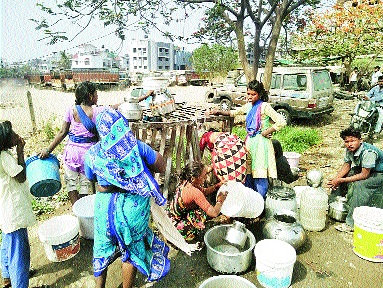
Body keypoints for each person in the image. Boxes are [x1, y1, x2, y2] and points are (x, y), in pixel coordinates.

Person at [84, 108, 170, 288]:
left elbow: (91, 177)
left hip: (104, 209)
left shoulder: (93, 153)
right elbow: (161, 165)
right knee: (130, 250)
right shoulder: (136, 147)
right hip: (132, 208)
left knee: (101, 247)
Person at [39, 81, 119, 205]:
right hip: (88, 154)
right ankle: (83, 211)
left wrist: (48, 150)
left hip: (72, 153)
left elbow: (62, 132)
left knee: (71, 183)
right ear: (90, 96)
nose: (97, 96)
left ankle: (75, 210)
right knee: (85, 185)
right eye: (96, 93)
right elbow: (113, 107)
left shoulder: (71, 110)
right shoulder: (97, 111)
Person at [209, 79, 286, 198]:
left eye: (253, 94)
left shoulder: (264, 106)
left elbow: (281, 121)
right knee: (248, 173)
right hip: (250, 143)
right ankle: (250, 202)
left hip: (261, 144)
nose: (250, 97)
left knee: (259, 174)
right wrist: (217, 111)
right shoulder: (248, 106)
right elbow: (234, 113)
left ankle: (260, 204)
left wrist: (267, 131)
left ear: (259, 95)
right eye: (248, 94)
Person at [0, 121, 36, 288]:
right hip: (14, 211)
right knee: (19, 253)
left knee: (8, 243)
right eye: (12, 134)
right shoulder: (4, 157)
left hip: (6, 208)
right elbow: (20, 176)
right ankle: (19, 283)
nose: (15, 135)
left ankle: (7, 275)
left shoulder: (3, 155)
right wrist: (20, 152)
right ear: (5, 140)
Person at [327, 127, 383, 233]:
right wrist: (336, 179)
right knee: (341, 178)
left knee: (360, 186)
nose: (349, 144)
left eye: (353, 140)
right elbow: (346, 166)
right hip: (367, 169)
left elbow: (364, 175)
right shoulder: (349, 150)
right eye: (347, 141)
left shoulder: (368, 152)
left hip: (379, 173)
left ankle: (351, 224)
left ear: (360, 140)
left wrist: (342, 180)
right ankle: (332, 205)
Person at [167, 161, 227, 241]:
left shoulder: (186, 182)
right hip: (174, 228)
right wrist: (220, 201)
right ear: (193, 178)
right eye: (204, 176)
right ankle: (188, 236)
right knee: (200, 213)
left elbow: (204, 191)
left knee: (201, 208)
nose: (206, 178)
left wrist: (217, 186)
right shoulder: (194, 192)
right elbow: (214, 213)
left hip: (171, 217)